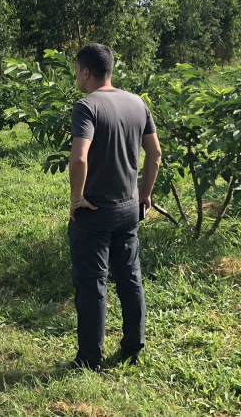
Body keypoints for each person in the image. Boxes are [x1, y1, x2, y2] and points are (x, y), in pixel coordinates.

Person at [60, 43, 162, 370]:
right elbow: (155, 155)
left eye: (76, 70)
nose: (76, 76)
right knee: (130, 279)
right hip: (129, 208)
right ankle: (133, 346)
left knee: (92, 286)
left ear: (86, 72)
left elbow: (78, 158)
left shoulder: (86, 106)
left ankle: (90, 358)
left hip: (94, 214)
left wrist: (76, 199)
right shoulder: (137, 103)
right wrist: (145, 194)